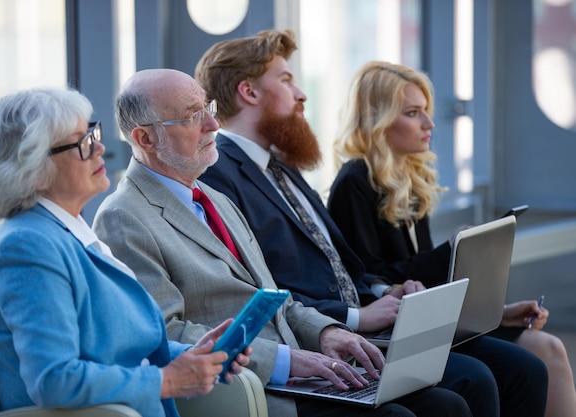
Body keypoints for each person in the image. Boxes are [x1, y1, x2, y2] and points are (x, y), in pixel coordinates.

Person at [194, 29, 548, 417]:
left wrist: (385, 290)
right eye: (286, 79)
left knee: (522, 369)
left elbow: (342, 266)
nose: (301, 94)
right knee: (474, 381)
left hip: (367, 317)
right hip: (326, 331)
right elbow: (262, 285)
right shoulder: (219, 174)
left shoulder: (280, 168)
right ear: (249, 92)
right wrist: (357, 317)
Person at [93, 67, 473, 417]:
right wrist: (286, 360)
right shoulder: (123, 217)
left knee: (448, 404)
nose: (212, 123)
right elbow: (168, 334)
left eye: (207, 107)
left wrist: (326, 331)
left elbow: (272, 295)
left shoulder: (214, 199)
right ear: (145, 138)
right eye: (193, 116)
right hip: (247, 388)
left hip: (300, 370)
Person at [0, 87, 251, 417]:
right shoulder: (27, 246)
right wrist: (167, 380)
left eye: (92, 132)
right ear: (32, 166)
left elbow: (118, 350)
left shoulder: (68, 233)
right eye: (81, 142)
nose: (100, 147)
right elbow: (55, 380)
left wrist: (195, 355)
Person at [328, 60, 574, 417]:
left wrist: (495, 314)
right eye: (414, 113)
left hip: (428, 320)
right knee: (538, 357)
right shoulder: (354, 182)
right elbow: (371, 278)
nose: (429, 123)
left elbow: (421, 280)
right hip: (397, 332)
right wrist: (449, 250)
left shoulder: (410, 175)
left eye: (426, 111)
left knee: (548, 349)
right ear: (377, 120)